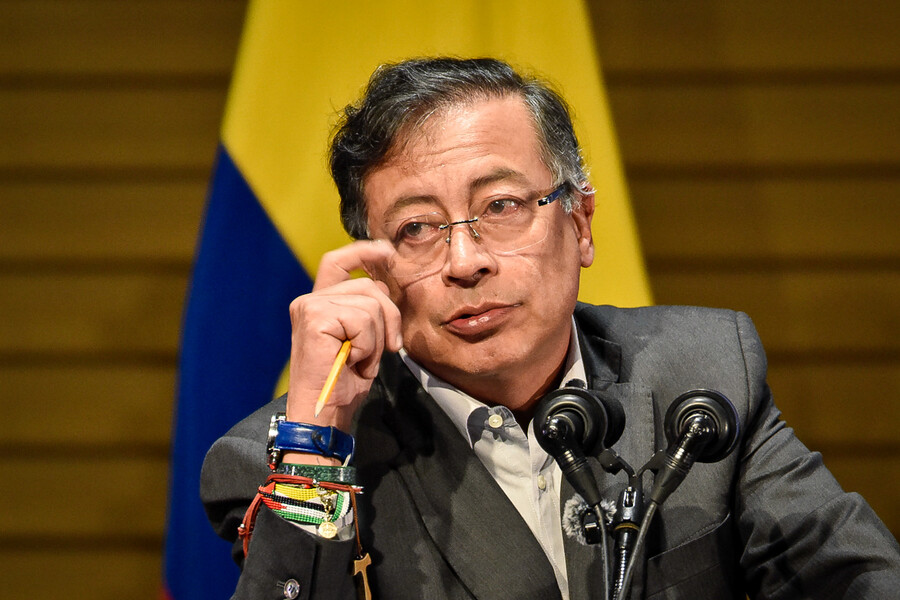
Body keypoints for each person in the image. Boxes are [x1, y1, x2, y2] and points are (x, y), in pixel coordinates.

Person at [201, 57, 899, 599]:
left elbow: (854, 575)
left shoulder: (703, 371)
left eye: (501, 206)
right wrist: (316, 445)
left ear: (581, 223)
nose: (465, 262)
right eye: (416, 228)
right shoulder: (280, 460)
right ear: (373, 271)